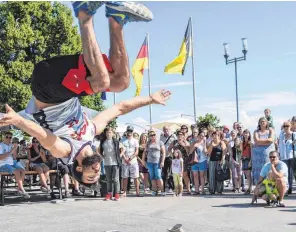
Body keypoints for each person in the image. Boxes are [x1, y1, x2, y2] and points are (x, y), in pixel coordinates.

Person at [0, 2, 170, 188]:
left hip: (46, 90)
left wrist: (18, 120)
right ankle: (117, 19)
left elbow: (41, 134)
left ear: (79, 169)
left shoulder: (65, 150)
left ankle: (84, 13)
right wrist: (151, 99)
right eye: (97, 176)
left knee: (102, 82)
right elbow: (120, 108)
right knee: (121, 82)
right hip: (63, 82)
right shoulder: (92, 131)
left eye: (91, 177)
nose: (97, 172)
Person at [0, 132, 29, 199]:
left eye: (10, 137)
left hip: (12, 163)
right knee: (17, 172)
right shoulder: (1, 145)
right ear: (4, 137)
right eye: (7, 137)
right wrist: (12, 150)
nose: (8, 139)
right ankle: (22, 190)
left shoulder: (11, 145)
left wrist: (15, 149)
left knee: (23, 170)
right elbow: (1, 157)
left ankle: (19, 188)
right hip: (3, 164)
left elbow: (15, 157)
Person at [99, 127, 124, 201]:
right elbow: (99, 149)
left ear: (112, 133)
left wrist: (120, 155)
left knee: (115, 179)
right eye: (107, 132)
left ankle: (116, 194)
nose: (108, 134)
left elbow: (123, 149)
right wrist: (101, 155)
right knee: (109, 179)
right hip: (107, 162)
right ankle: (109, 194)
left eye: (110, 132)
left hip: (115, 162)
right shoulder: (103, 141)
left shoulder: (116, 141)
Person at [142, 130, 166, 196]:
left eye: (154, 135)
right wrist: (143, 160)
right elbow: (144, 152)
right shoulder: (148, 143)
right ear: (149, 136)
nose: (153, 136)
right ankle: (154, 190)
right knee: (152, 177)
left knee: (158, 176)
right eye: (151, 135)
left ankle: (162, 190)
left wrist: (162, 161)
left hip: (157, 162)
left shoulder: (160, 142)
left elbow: (163, 152)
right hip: (149, 162)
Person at [121, 125, 141, 197]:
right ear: (126, 131)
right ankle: (124, 192)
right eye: (128, 130)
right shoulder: (122, 140)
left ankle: (137, 192)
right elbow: (121, 150)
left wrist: (131, 158)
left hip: (133, 161)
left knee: (136, 177)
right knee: (125, 177)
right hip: (125, 160)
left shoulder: (135, 140)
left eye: (131, 131)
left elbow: (137, 151)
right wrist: (125, 158)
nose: (129, 132)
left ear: (133, 132)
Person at [160, 126, 176, 194]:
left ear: (170, 130)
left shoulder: (173, 136)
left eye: (167, 129)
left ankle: (171, 187)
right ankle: (164, 188)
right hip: (164, 157)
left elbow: (176, 145)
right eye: (164, 129)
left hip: (171, 157)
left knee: (172, 173)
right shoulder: (161, 137)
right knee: (164, 173)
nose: (166, 130)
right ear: (163, 130)